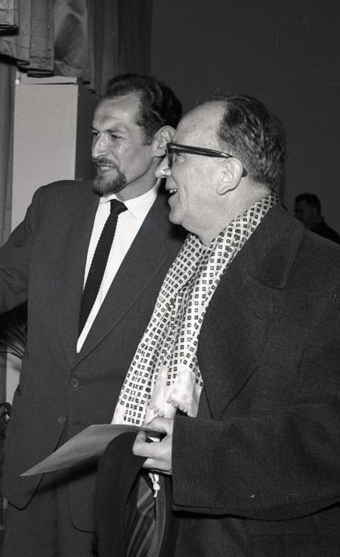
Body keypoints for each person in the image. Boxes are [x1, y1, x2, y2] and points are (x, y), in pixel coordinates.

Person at [0, 73, 185, 556]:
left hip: (112, 472)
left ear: (161, 142)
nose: (97, 149)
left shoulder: (183, 232)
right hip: (33, 462)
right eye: (94, 134)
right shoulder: (55, 204)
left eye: (115, 136)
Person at [107, 94, 340, 556]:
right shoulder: (182, 267)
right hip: (159, 529)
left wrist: (195, 455)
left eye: (177, 155)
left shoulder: (325, 275)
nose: (162, 170)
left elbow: (329, 439)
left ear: (227, 173)